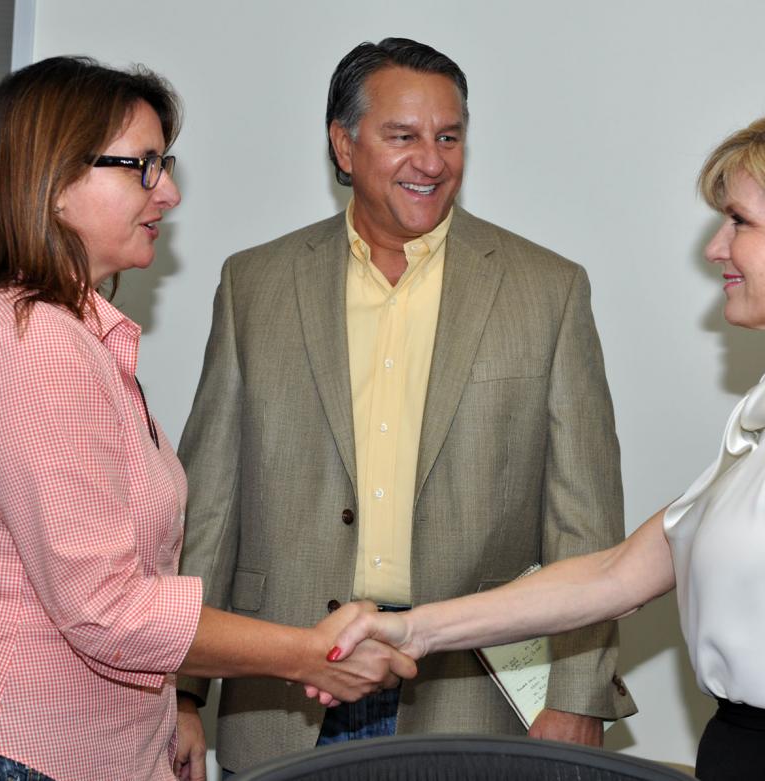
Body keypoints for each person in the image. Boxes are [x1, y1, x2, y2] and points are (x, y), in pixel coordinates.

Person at [327, 104, 765, 781]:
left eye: (739, 220)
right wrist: (413, 628)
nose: (716, 247)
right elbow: (616, 574)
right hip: (754, 749)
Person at [0, 56, 412, 781]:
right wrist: (305, 652)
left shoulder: (68, 334)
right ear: (55, 182)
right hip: (2, 746)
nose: (170, 193)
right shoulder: (34, 346)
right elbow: (109, 611)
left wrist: (162, 726)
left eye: (165, 165)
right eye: (142, 167)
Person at [176, 37, 635, 777]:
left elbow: (585, 521)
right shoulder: (254, 285)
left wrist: (579, 698)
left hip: (471, 702)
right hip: (285, 695)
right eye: (404, 136)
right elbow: (210, 510)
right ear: (344, 144)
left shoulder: (547, 290)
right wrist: (184, 693)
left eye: (449, 137)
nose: (432, 159)